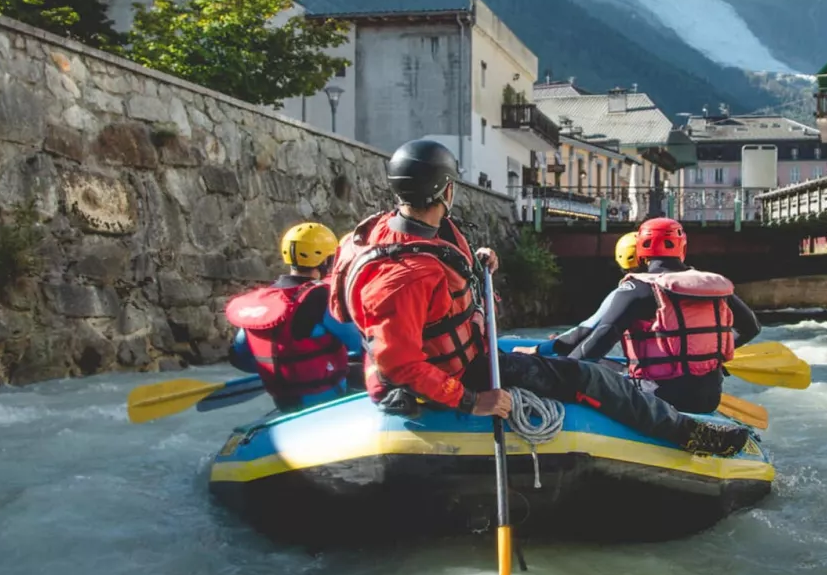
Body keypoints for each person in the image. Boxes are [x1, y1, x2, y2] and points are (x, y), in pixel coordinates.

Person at [330, 140, 751, 456]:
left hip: (452, 352)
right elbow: (400, 362)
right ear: (446, 191)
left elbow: (363, 303)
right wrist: (473, 401)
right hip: (461, 372)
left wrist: (475, 264)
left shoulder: (382, 231)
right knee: (593, 378)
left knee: (568, 365)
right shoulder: (405, 277)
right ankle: (686, 434)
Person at [549, 217, 761, 414]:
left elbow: (598, 343)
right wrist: (711, 353)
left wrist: (557, 372)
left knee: (595, 370)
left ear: (641, 249)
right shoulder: (713, 285)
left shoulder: (637, 288)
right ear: (683, 248)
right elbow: (751, 328)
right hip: (708, 399)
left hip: (656, 400)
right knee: (610, 365)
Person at [225, 222, 365, 412]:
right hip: (328, 399)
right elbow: (359, 344)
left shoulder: (263, 302)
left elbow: (240, 357)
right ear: (326, 261)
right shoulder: (322, 297)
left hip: (283, 400)